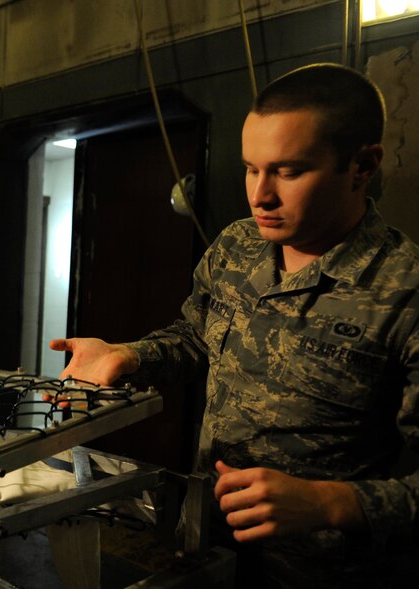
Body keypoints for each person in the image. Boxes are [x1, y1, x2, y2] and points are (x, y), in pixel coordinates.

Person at [49, 64, 419, 588]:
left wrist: (333, 503)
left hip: (322, 573)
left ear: (362, 165)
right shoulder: (239, 245)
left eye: (288, 172)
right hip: (206, 548)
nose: (260, 195)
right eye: (251, 169)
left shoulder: (405, 291)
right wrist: (129, 355)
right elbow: (195, 336)